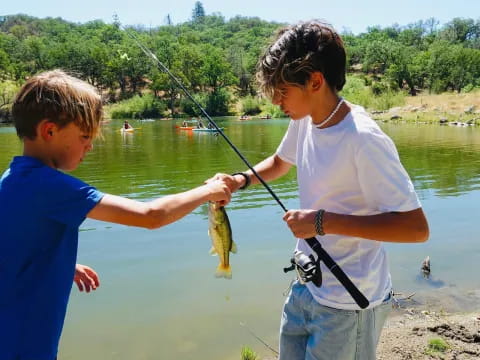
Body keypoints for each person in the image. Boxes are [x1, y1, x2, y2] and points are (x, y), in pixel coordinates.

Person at [208, 21, 429, 360]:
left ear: (314, 81)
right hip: (306, 285)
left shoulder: (363, 139)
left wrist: (322, 222)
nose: (276, 102)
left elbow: (416, 229)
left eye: (282, 92)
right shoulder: (306, 118)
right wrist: (240, 180)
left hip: (350, 303)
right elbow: (280, 162)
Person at [0, 69, 231, 360]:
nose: (90, 146)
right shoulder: (51, 187)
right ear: (49, 131)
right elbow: (151, 216)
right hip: (24, 346)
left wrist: (58, 264)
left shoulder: (13, 178)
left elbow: (12, 246)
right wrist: (208, 191)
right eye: (85, 136)